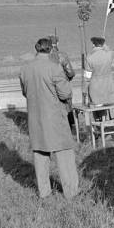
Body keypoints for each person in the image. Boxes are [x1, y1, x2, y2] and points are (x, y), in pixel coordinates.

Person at [19, 37, 79, 199]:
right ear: (50, 49)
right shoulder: (54, 68)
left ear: (37, 49)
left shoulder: (25, 69)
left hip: (35, 118)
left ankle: (44, 192)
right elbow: (65, 93)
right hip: (55, 117)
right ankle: (71, 192)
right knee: (65, 153)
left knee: (40, 156)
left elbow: (25, 93)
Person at [84, 36, 114, 119]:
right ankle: (111, 125)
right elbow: (110, 51)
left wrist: (84, 89)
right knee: (111, 107)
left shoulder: (89, 58)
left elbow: (87, 77)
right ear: (103, 44)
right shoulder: (109, 54)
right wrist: (105, 45)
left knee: (98, 111)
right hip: (108, 87)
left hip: (95, 90)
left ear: (93, 44)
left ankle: (100, 127)